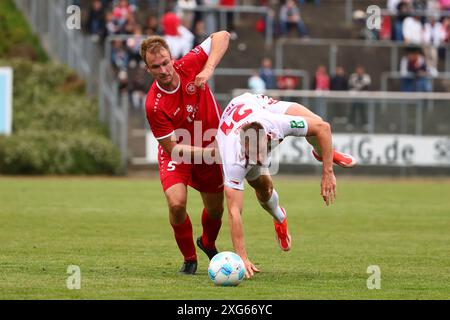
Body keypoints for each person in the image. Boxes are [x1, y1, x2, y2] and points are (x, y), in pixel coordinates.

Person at [216, 92, 356, 278]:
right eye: (252, 155)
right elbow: (234, 212)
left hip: (255, 104)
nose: (258, 159)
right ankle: (280, 217)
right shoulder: (234, 158)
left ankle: (320, 152)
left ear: (268, 139)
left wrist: (327, 171)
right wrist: (242, 257)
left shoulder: (277, 124)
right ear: (243, 146)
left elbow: (324, 128)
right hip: (235, 123)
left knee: (316, 122)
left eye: (260, 152)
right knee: (264, 189)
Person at [140, 31, 231, 274]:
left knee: (215, 210)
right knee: (177, 203)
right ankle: (189, 258)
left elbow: (222, 35)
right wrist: (210, 154)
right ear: (148, 69)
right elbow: (173, 148)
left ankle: (207, 243)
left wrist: (208, 68)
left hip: (208, 143)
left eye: (166, 62)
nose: (164, 70)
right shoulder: (154, 104)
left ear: (172, 58)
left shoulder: (189, 64)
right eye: (156, 66)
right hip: (180, 153)